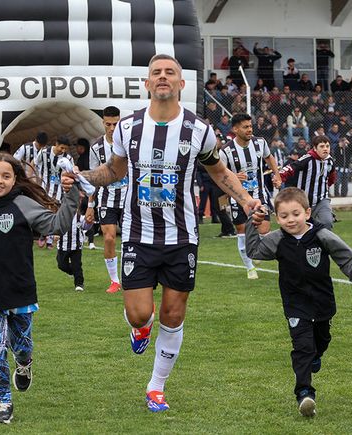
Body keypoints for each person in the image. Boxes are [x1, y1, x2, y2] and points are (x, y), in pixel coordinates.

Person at [67, 54, 261, 412]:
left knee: (173, 315)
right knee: (140, 314)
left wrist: (247, 201)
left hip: (182, 237)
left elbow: (218, 172)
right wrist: (84, 178)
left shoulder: (199, 129)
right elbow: (114, 170)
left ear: (180, 84)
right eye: (156, 72)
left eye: (170, 72)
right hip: (138, 235)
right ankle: (140, 329)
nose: (162, 77)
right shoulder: (127, 128)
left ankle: (156, 387)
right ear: (147, 83)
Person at [0, 153, 79, 424]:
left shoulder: (23, 205)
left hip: (20, 290)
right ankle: (3, 403)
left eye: (6, 176)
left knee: (21, 345)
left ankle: (24, 362)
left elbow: (57, 225)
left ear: (14, 180)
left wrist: (73, 195)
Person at [245, 187, 352, 417]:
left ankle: (316, 356)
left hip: (323, 303)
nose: (290, 220)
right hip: (295, 304)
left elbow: (345, 257)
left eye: (295, 214)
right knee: (302, 348)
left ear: (307, 212)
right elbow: (254, 250)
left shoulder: (322, 235)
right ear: (277, 218)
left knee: (321, 341)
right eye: (283, 216)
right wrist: (252, 223)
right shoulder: (277, 240)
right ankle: (305, 393)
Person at [220, 113, 281, 279]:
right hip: (237, 198)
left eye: (250, 126)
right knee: (242, 231)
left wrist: (277, 175)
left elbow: (269, 157)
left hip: (259, 195)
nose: (249, 130)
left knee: (264, 230)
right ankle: (249, 268)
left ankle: (256, 250)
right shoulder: (226, 150)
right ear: (235, 129)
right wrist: (233, 176)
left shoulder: (260, 143)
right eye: (245, 127)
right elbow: (221, 173)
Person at [86, 106, 127, 293]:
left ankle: (131, 276)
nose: (112, 128)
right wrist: (90, 205)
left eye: (116, 124)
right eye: (108, 124)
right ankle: (114, 281)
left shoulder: (128, 143)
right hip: (106, 198)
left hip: (128, 197)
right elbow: (94, 178)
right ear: (103, 123)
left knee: (130, 240)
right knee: (109, 238)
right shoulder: (96, 147)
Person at [279, 135, 337, 229]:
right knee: (301, 228)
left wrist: (326, 186)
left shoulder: (330, 160)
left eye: (327, 146)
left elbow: (332, 176)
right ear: (315, 148)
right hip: (303, 201)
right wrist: (279, 177)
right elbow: (290, 167)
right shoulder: (307, 159)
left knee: (327, 222)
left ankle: (323, 243)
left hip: (321, 200)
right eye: (322, 146)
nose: (325, 149)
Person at [36, 135, 73, 248]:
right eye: (61, 148)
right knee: (46, 211)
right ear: (56, 144)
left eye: (65, 149)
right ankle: (44, 235)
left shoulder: (68, 158)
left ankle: (48, 239)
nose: (63, 150)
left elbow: (72, 172)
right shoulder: (44, 152)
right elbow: (35, 163)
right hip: (44, 187)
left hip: (60, 189)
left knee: (54, 212)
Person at [58, 200, 87, 291]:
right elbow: (54, 226)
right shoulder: (59, 217)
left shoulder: (80, 218)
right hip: (63, 245)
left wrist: (89, 222)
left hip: (76, 246)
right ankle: (72, 271)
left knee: (77, 265)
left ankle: (79, 284)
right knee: (61, 265)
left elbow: (86, 226)